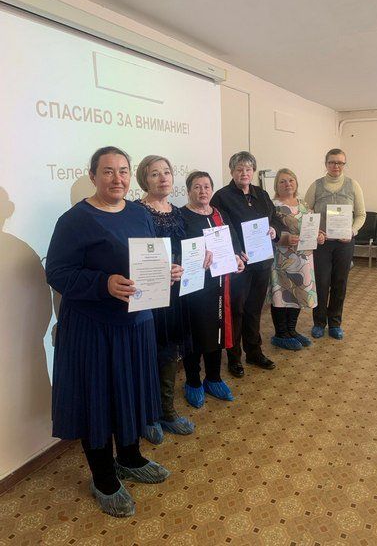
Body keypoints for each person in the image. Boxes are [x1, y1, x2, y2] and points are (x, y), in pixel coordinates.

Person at [46, 146, 176, 518]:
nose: (117, 179)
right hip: (93, 329)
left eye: (122, 171)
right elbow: (56, 272)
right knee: (98, 401)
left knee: (131, 393)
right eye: (107, 171)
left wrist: (167, 270)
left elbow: (149, 257)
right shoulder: (75, 220)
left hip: (136, 324)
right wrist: (103, 283)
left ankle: (130, 458)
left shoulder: (138, 212)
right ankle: (103, 477)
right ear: (93, 176)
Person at [136, 155, 206, 443]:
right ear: (144, 179)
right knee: (148, 354)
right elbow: (136, 256)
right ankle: (147, 416)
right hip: (149, 295)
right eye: (155, 174)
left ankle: (167, 411)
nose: (163, 177)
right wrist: (160, 270)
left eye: (166, 172)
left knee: (168, 355)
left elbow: (186, 248)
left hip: (176, 293)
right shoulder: (136, 211)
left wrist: (201, 256)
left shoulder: (177, 212)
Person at [211, 151, 285, 378]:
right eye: (239, 169)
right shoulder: (221, 197)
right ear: (232, 171)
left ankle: (254, 352)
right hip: (238, 265)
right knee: (236, 311)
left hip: (262, 262)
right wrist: (235, 251)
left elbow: (275, 219)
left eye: (248, 169)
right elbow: (221, 229)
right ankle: (234, 358)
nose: (244, 173)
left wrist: (274, 230)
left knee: (254, 309)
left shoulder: (261, 194)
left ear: (253, 171)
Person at [180, 171, 244, 407]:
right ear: (189, 191)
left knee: (217, 333)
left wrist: (237, 258)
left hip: (219, 286)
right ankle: (193, 381)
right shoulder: (181, 216)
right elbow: (178, 249)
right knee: (194, 335)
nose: (203, 191)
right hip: (194, 288)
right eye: (197, 187)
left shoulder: (219, 214)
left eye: (206, 186)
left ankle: (214, 378)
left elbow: (233, 243)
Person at [304, 148, 366, 339]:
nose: (336, 166)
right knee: (321, 283)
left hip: (344, 243)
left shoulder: (353, 185)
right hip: (322, 243)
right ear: (326, 164)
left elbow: (361, 215)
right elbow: (306, 212)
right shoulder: (316, 186)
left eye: (340, 162)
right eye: (332, 162)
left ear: (344, 164)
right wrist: (315, 231)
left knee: (340, 283)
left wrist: (352, 231)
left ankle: (335, 323)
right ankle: (319, 322)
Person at [270, 168, 324, 350]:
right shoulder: (272, 206)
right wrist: (284, 239)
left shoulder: (304, 205)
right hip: (282, 258)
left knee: (298, 292)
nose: (287, 184)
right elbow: (268, 232)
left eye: (291, 180)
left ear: (296, 183)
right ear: (276, 185)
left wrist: (319, 235)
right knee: (282, 294)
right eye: (283, 181)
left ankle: (291, 330)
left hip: (303, 258)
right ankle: (280, 334)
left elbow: (311, 228)